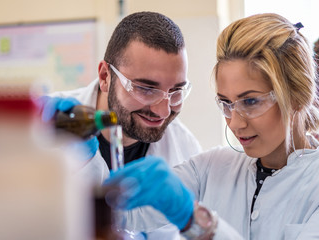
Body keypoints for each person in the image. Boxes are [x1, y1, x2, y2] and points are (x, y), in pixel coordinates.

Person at [105, 13, 319, 239]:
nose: (235, 123)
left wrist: (196, 221)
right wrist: (72, 148)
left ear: (297, 96)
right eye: (226, 103)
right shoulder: (210, 168)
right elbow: (122, 213)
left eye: (250, 101)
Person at [40, 11, 202, 239]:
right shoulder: (49, 124)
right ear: (105, 76)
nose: (163, 111)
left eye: (176, 91)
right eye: (146, 89)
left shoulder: (185, 150)